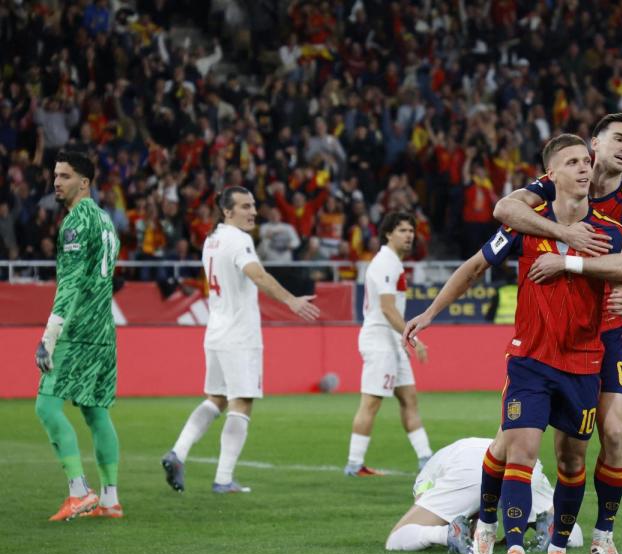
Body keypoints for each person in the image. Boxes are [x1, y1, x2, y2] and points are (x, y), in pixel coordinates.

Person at [420, 134, 622, 554]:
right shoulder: (524, 225)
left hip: (584, 363)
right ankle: (509, 545)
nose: (584, 168)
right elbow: (475, 266)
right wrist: (430, 312)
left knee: (572, 460)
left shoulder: (611, 233)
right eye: (572, 162)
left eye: (586, 161)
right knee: (522, 450)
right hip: (530, 359)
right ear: (551, 175)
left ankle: (557, 550)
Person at [492, 113, 622, 554]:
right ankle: (498, 528)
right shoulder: (555, 183)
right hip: (551, 337)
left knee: (615, 432)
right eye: (618, 138)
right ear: (594, 145)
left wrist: (572, 265)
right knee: (523, 444)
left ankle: (604, 535)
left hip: (605, 333)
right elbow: (505, 210)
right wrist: (563, 236)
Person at [161, 186, 320, 494]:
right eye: (245, 206)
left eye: (253, 205)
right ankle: (223, 479)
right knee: (242, 402)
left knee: (217, 399)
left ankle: (178, 452)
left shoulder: (212, 239)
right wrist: (291, 300)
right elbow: (257, 275)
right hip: (239, 334)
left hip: (216, 331)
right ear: (227, 211)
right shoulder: (239, 239)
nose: (253, 212)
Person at [34, 150, 122, 520]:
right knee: (95, 412)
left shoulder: (75, 223)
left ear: (84, 183)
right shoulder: (106, 220)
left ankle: (79, 491)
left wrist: (49, 336)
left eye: (65, 176)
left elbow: (69, 285)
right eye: (56, 175)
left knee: (46, 407)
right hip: (104, 331)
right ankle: (110, 499)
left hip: (77, 332)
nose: (56, 182)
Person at [344, 212, 432, 477]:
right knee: (371, 402)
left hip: (393, 340)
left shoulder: (393, 262)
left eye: (411, 231)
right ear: (387, 234)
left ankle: (426, 459)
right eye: (402, 230)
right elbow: (386, 308)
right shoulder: (385, 263)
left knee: (409, 399)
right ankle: (354, 464)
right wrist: (413, 339)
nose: (409, 235)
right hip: (380, 339)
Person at [385, 437, 583, 554]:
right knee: (567, 526)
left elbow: (421, 502)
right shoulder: (460, 448)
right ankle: (550, 530)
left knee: (395, 537)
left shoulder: (428, 473)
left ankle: (447, 535)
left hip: (468, 470)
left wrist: (448, 526)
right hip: (518, 461)